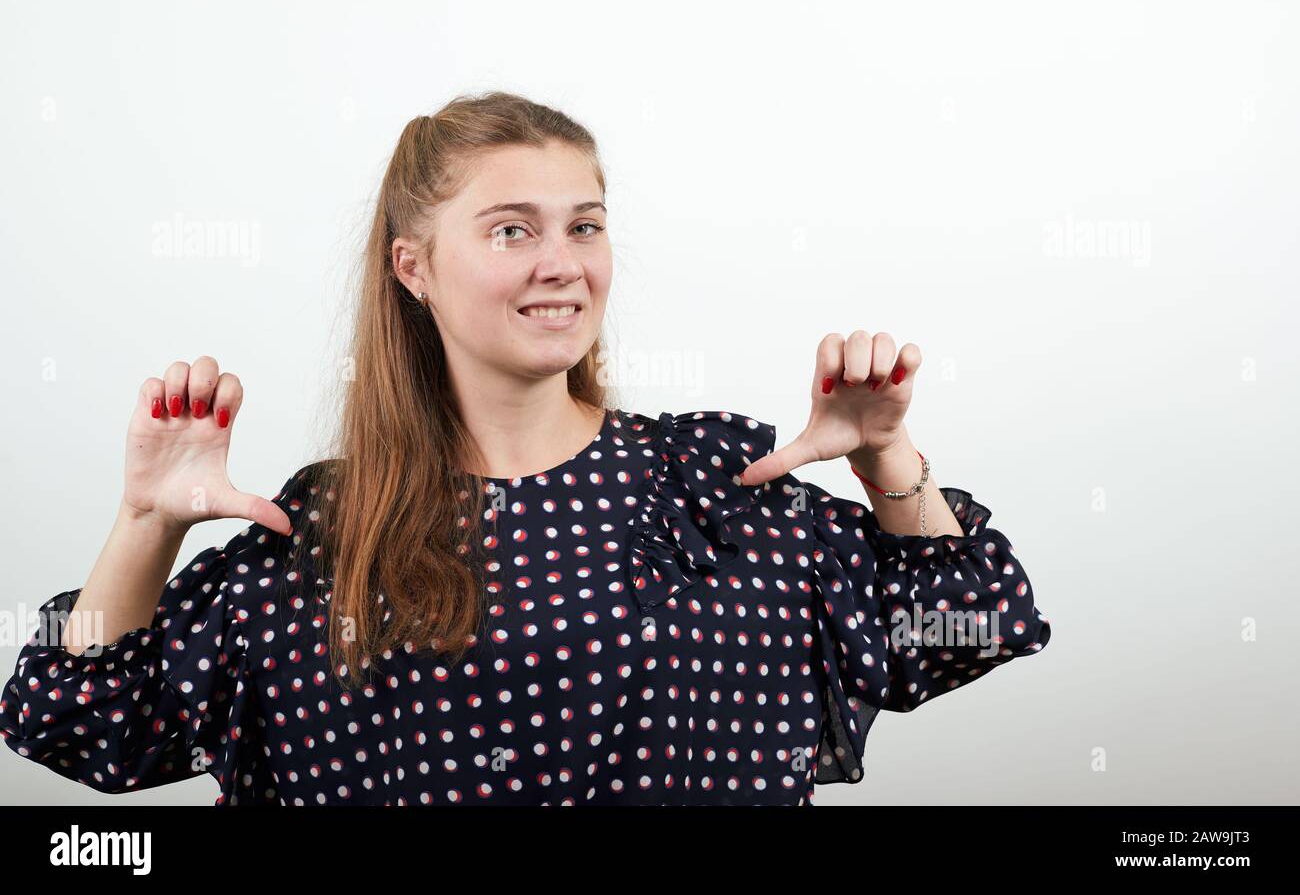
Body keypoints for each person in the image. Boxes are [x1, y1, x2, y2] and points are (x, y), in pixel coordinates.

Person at [0, 91, 1051, 805]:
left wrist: (886, 460)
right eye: (512, 229)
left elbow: (971, 621)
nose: (562, 264)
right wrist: (145, 520)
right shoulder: (318, 542)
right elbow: (74, 724)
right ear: (413, 266)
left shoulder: (718, 496)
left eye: (584, 226)